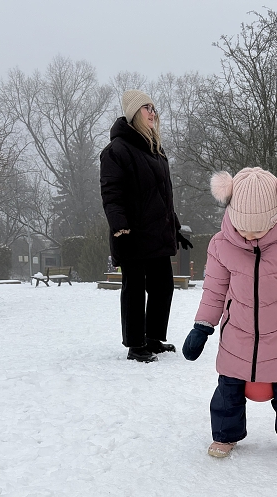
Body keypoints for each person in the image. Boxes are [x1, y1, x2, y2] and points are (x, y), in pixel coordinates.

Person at [182, 167, 277, 459]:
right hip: (236, 334)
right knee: (227, 392)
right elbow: (214, 290)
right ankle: (225, 435)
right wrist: (202, 327)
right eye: (242, 228)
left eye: (259, 229)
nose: (249, 236)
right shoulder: (220, 245)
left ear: (276, 215)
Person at [100, 89, 192, 363]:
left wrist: (175, 227)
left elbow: (163, 198)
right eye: (146, 108)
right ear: (133, 113)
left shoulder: (155, 150)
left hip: (158, 234)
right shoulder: (116, 151)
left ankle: (153, 338)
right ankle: (136, 344)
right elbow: (112, 195)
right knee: (135, 289)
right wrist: (120, 228)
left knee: (163, 287)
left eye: (154, 107)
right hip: (132, 234)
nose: (153, 112)